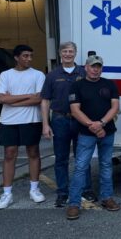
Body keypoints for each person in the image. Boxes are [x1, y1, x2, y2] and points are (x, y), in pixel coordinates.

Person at [40, 41, 94, 207]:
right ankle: (62, 192)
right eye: (65, 52)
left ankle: (86, 190)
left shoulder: (83, 72)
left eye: (71, 51)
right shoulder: (52, 75)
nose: (68, 54)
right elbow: (45, 101)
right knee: (61, 158)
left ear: (75, 53)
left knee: (83, 157)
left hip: (80, 120)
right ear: (60, 54)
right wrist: (45, 124)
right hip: (60, 119)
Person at [66, 55, 120, 220]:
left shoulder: (109, 84)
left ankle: (107, 198)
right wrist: (93, 126)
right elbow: (75, 110)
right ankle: (74, 204)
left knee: (106, 166)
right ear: (86, 67)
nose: (96, 69)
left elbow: (115, 107)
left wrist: (101, 123)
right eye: (92, 66)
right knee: (81, 167)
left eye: (98, 66)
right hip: (86, 133)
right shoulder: (77, 86)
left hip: (107, 132)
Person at [0, 44, 46, 209]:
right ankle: (7, 193)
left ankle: (34, 189)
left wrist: (14, 101)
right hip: (8, 121)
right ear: (16, 57)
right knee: (9, 154)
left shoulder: (38, 75)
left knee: (33, 152)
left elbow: (38, 99)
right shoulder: (5, 75)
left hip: (31, 120)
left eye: (30, 56)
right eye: (25, 56)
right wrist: (27, 96)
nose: (29, 59)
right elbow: (2, 99)